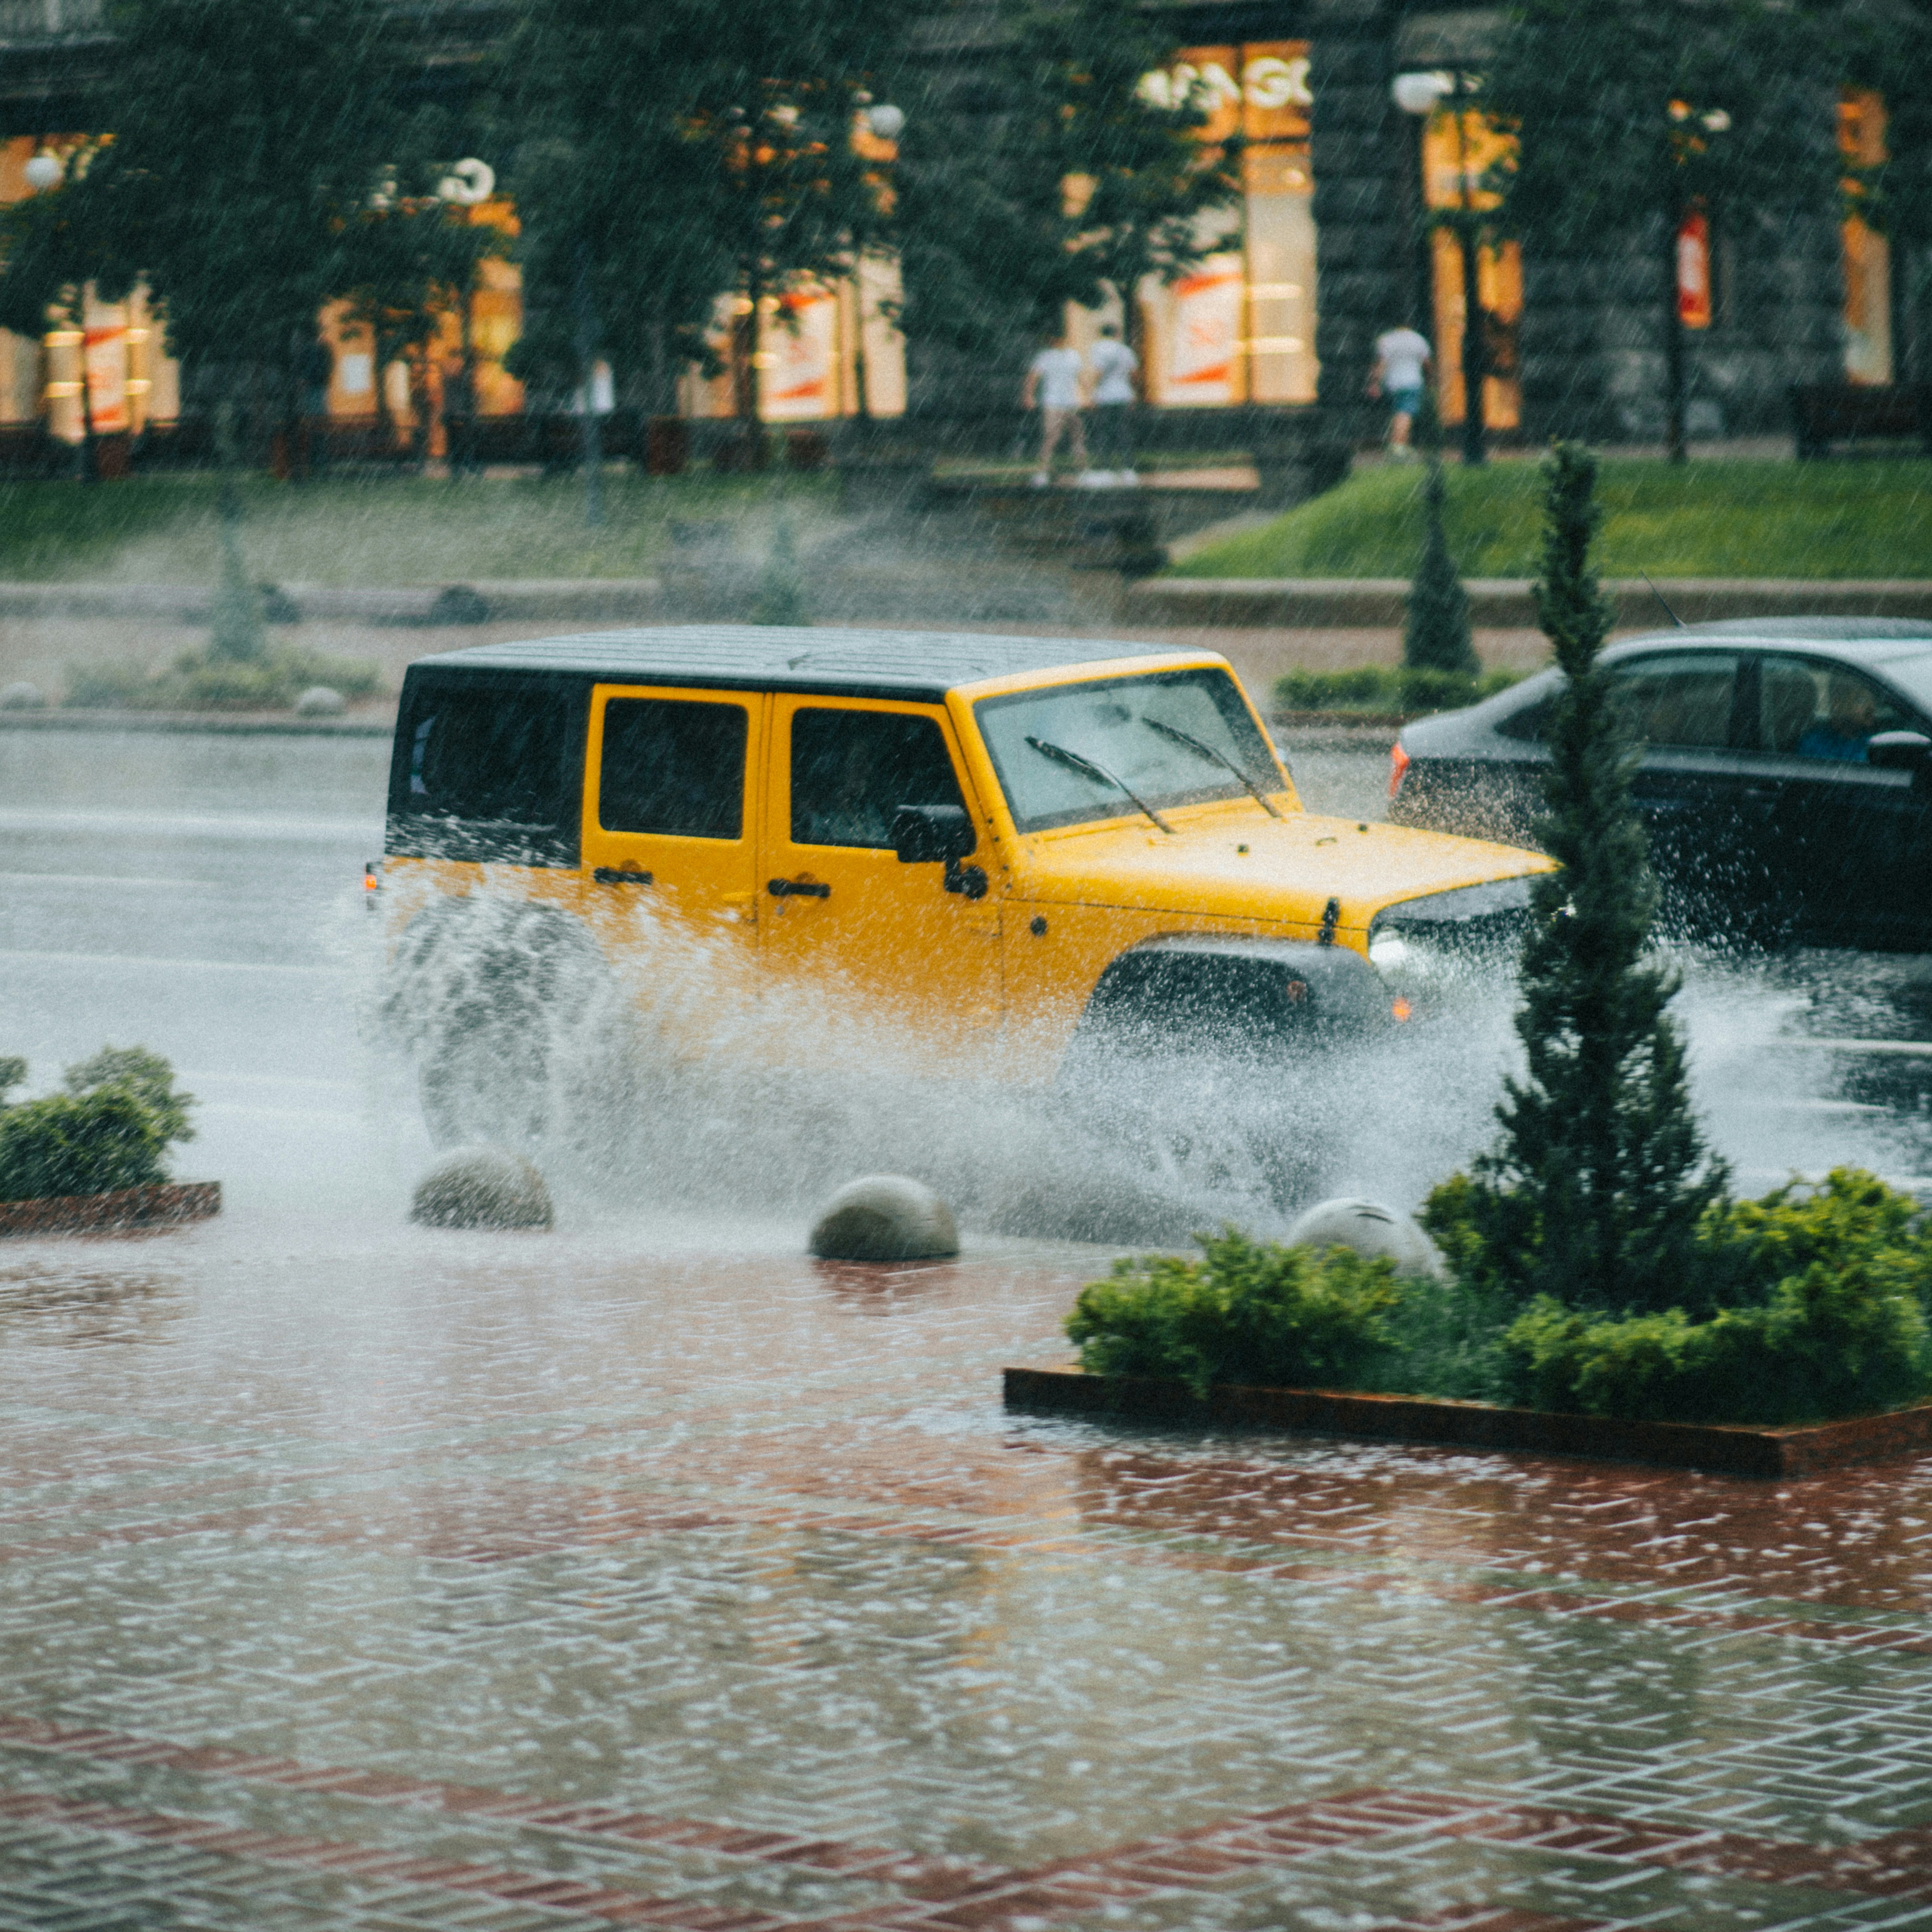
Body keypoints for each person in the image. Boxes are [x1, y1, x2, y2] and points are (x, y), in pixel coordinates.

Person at [1021, 328, 1090, 486]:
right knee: (1051, 436)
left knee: (1078, 436)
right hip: (1052, 402)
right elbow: (1033, 377)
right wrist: (1028, 396)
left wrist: (1088, 395)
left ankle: (1082, 469)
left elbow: (1080, 377)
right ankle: (1042, 471)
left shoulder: (1073, 356)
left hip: (1071, 402)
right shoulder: (1045, 357)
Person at [1368, 323, 1432, 460]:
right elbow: (1427, 363)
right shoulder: (1417, 339)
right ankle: (1398, 446)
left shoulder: (1386, 340)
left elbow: (1381, 364)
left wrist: (1375, 383)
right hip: (1412, 381)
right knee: (1405, 414)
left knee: (1399, 413)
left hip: (1393, 383)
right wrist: (1429, 378)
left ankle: (1402, 444)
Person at [1086, 322, 1139, 485]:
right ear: (1117, 334)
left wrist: (1091, 392)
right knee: (1123, 433)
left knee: (1103, 432)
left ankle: (1106, 469)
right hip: (1124, 395)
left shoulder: (1098, 349)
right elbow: (1134, 374)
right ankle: (1128, 469)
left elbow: (1098, 372)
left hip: (1105, 396)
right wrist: (1134, 392)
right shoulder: (1125, 350)